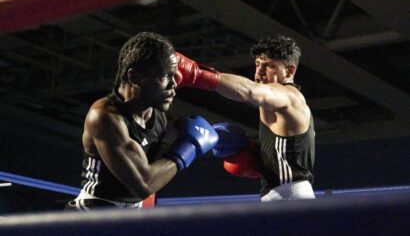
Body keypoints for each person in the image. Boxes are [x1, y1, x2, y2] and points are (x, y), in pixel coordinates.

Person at [66, 32, 219, 211]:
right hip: (92, 216)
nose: (174, 84)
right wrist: (189, 149)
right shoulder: (104, 116)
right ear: (134, 77)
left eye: (174, 75)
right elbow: (143, 184)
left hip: (131, 215)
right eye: (165, 76)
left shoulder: (158, 111)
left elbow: (197, 131)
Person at [175, 35, 315, 201]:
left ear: (290, 71)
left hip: (290, 196)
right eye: (257, 64)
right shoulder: (276, 105)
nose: (260, 72)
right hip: (282, 195)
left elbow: (250, 91)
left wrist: (196, 74)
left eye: (269, 66)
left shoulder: (289, 96)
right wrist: (260, 159)